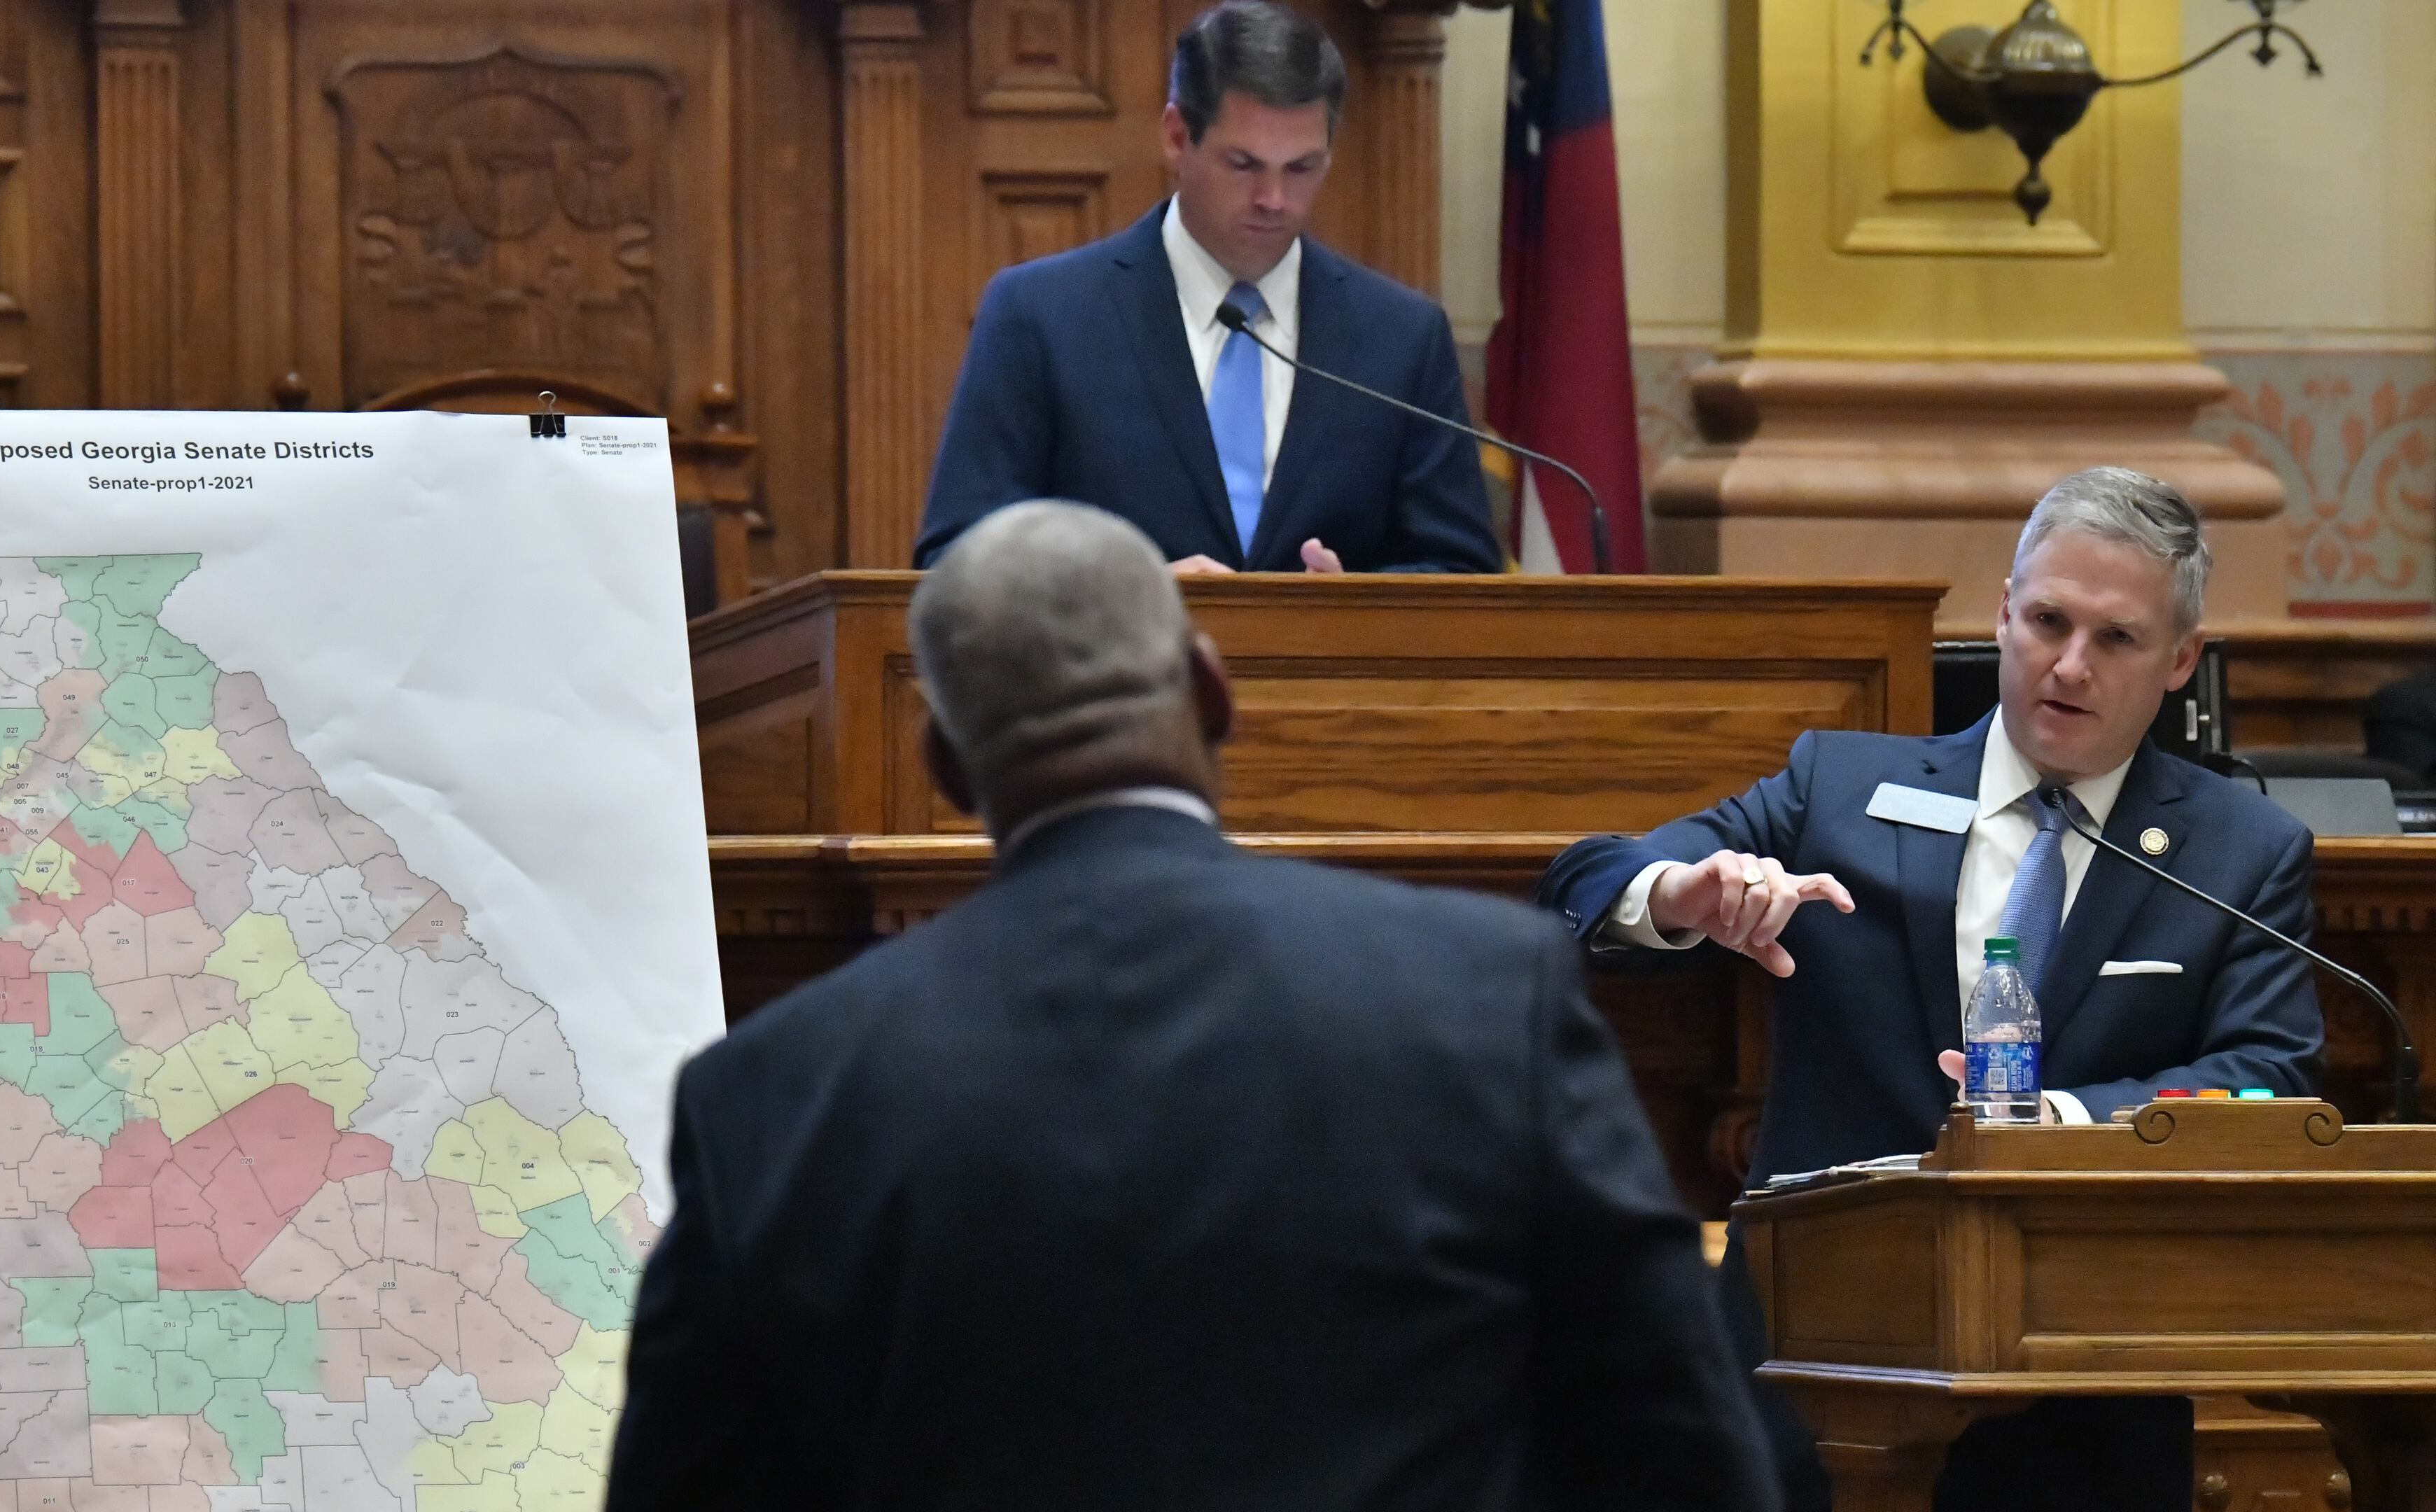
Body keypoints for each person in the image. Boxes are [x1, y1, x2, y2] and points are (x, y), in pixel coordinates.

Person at [608, 501, 1774, 1511]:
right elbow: (1679, 1457)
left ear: (949, 771)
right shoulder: (1483, 995)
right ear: (1211, 691)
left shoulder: (771, 1094)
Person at [1537, 467, 2326, 1512]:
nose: (2071, 665)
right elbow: (1585, 880)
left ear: (2181, 659)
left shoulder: (2240, 849)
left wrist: (2057, 1120)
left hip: (2083, 1381)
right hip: (1814, 1349)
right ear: (2002, 614)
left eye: (2118, 639)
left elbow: (2271, 1074)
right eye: (2046, 620)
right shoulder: (1847, 790)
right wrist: (1687, 892)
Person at [913, 1, 1502, 577]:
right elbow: (955, 562)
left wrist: (1353, 609)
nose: (1274, 199)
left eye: (1301, 168)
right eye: (1244, 164)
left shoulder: (1401, 336)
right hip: (1112, 673)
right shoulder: (1041, 316)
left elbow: (1464, 570)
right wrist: (1129, 598)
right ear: (1176, 136)